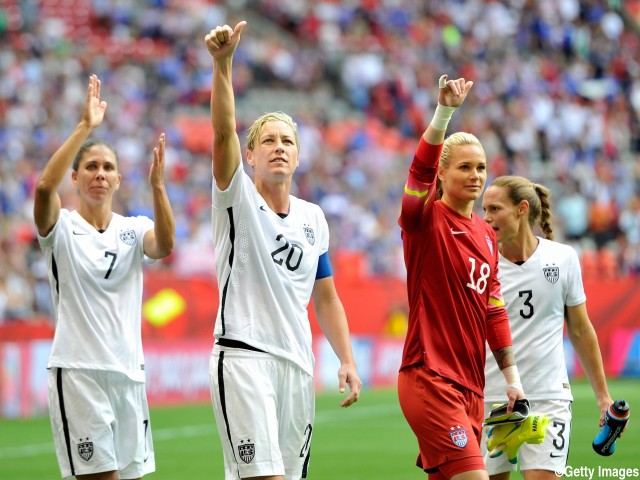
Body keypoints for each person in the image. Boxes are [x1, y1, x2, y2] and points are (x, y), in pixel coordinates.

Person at [204, 21, 362, 480]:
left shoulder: (314, 218)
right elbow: (220, 135)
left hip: (298, 367)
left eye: (287, 141)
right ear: (249, 155)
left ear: (298, 156)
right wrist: (223, 64)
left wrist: (346, 359)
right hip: (243, 356)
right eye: (267, 141)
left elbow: (326, 296)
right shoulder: (236, 198)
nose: (278, 148)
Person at [34, 74, 175, 480]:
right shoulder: (59, 228)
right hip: (79, 373)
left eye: (108, 167)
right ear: (75, 179)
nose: (99, 173)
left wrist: (159, 187)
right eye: (91, 167)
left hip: (129, 375)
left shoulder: (132, 229)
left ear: (117, 180)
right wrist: (85, 127)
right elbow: (44, 188)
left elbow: (164, 245)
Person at [396, 75, 526, 480]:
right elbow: (419, 172)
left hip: (471, 389)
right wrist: (444, 113)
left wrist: (512, 381)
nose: (475, 175)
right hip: (429, 378)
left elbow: (494, 310)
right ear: (442, 174)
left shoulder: (488, 236)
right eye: (465, 167)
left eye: (481, 167)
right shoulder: (424, 219)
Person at [481, 176, 613, 480]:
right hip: (492, 397)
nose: (486, 218)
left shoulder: (563, 258)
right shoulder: (481, 263)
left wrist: (602, 396)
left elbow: (580, 330)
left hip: (548, 396)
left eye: (494, 209)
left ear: (521, 209)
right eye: (484, 209)